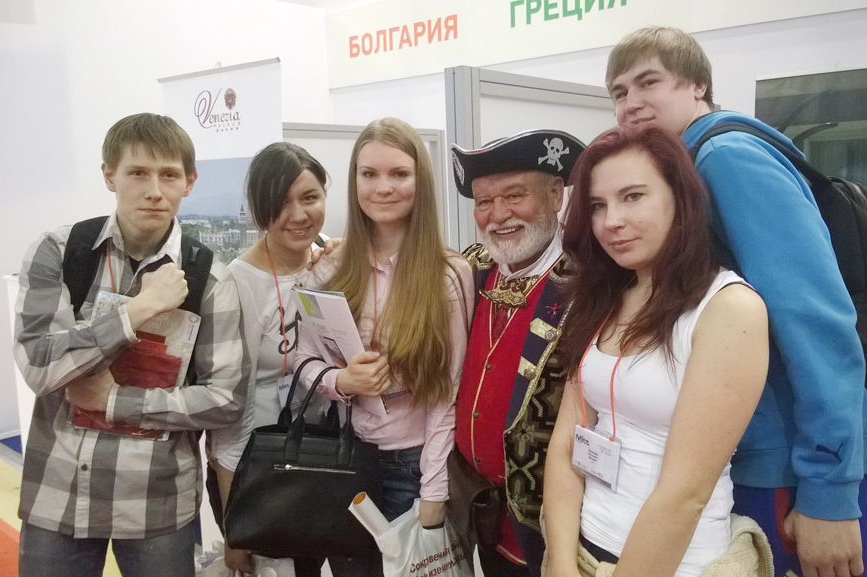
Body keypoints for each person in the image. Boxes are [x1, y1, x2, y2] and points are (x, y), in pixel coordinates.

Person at [605, 26, 867, 577]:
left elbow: (815, 319)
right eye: (619, 92)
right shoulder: (685, 170)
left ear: (697, 85)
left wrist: (829, 490)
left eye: (648, 82)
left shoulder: (726, 157)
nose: (631, 103)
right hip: (760, 460)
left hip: (795, 468)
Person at [12, 113, 247, 577]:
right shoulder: (62, 252)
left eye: (169, 175)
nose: (154, 191)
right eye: (138, 173)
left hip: (154, 502)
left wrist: (115, 401)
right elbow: (39, 366)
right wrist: (138, 310)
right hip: (60, 491)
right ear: (109, 176)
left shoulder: (208, 278)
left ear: (189, 182)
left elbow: (224, 399)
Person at [543, 123, 769, 577]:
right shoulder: (603, 296)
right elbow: (567, 440)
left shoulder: (728, 308)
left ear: (679, 199)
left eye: (633, 197)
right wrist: (563, 563)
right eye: (597, 205)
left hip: (675, 564)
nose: (611, 221)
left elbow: (685, 495)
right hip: (581, 549)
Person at [293, 117, 474, 577]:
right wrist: (341, 381)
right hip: (346, 458)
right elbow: (300, 359)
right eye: (369, 174)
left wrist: (433, 490)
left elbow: (449, 391)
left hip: (413, 468)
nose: (383, 187)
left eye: (399, 174)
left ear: (421, 181)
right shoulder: (329, 267)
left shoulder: (448, 275)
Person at [448, 128, 585, 577]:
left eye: (514, 196)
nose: (498, 215)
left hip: (551, 522)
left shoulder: (591, 282)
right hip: (477, 508)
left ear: (556, 194)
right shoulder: (471, 268)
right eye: (484, 202)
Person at [207, 142, 334, 576]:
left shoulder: (330, 261)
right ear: (260, 209)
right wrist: (235, 525)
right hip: (256, 470)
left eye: (310, 197)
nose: (298, 215)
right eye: (281, 203)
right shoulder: (239, 284)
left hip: (317, 457)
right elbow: (229, 414)